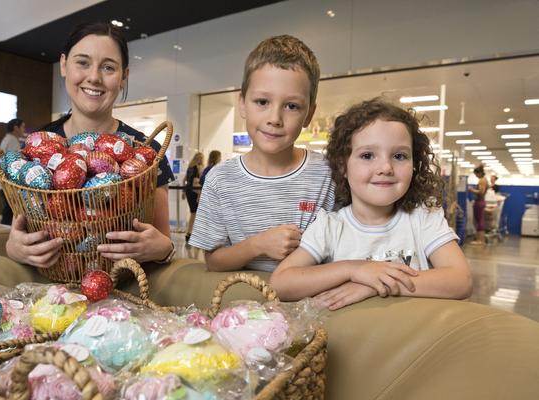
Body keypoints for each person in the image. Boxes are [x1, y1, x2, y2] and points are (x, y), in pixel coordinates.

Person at [270, 98, 472, 310]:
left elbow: (461, 280)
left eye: (399, 156)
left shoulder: (423, 217)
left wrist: (375, 285)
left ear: (414, 164)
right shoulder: (330, 226)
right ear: (343, 166)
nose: (385, 167)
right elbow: (281, 283)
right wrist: (354, 270)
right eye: (367, 155)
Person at [6, 22, 176, 267]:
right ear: (64, 65)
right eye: (82, 62)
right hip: (49, 294)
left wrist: (162, 249)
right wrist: (14, 249)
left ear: (124, 76)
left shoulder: (145, 150)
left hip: (125, 294)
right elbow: (18, 233)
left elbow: (164, 243)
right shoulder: (38, 144)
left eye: (108, 67)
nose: (94, 77)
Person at [188, 35, 335, 272]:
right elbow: (213, 260)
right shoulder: (220, 180)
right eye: (262, 102)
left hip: (313, 303)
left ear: (309, 114)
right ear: (243, 104)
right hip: (243, 304)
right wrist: (257, 245)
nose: (274, 119)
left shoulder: (328, 174)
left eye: (292, 106)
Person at [0, 118, 26, 225]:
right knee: (10, 211)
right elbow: (16, 162)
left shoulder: (7, 139)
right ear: (16, 128)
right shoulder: (12, 141)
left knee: (8, 210)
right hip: (9, 183)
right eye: (23, 127)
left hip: (4, 181)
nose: (24, 129)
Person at [183, 152, 204, 242]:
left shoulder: (190, 167)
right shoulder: (197, 168)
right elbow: (196, 182)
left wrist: (184, 191)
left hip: (188, 191)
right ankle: (190, 233)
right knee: (194, 213)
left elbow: (185, 180)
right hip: (194, 192)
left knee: (193, 213)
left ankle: (190, 232)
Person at [469, 165, 488, 245]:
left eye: (476, 174)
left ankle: (480, 240)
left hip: (479, 202)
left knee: (479, 221)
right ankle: (480, 239)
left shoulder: (482, 180)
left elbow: (481, 192)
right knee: (479, 220)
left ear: (479, 173)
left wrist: (471, 190)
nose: (476, 176)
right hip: (481, 202)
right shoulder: (484, 180)